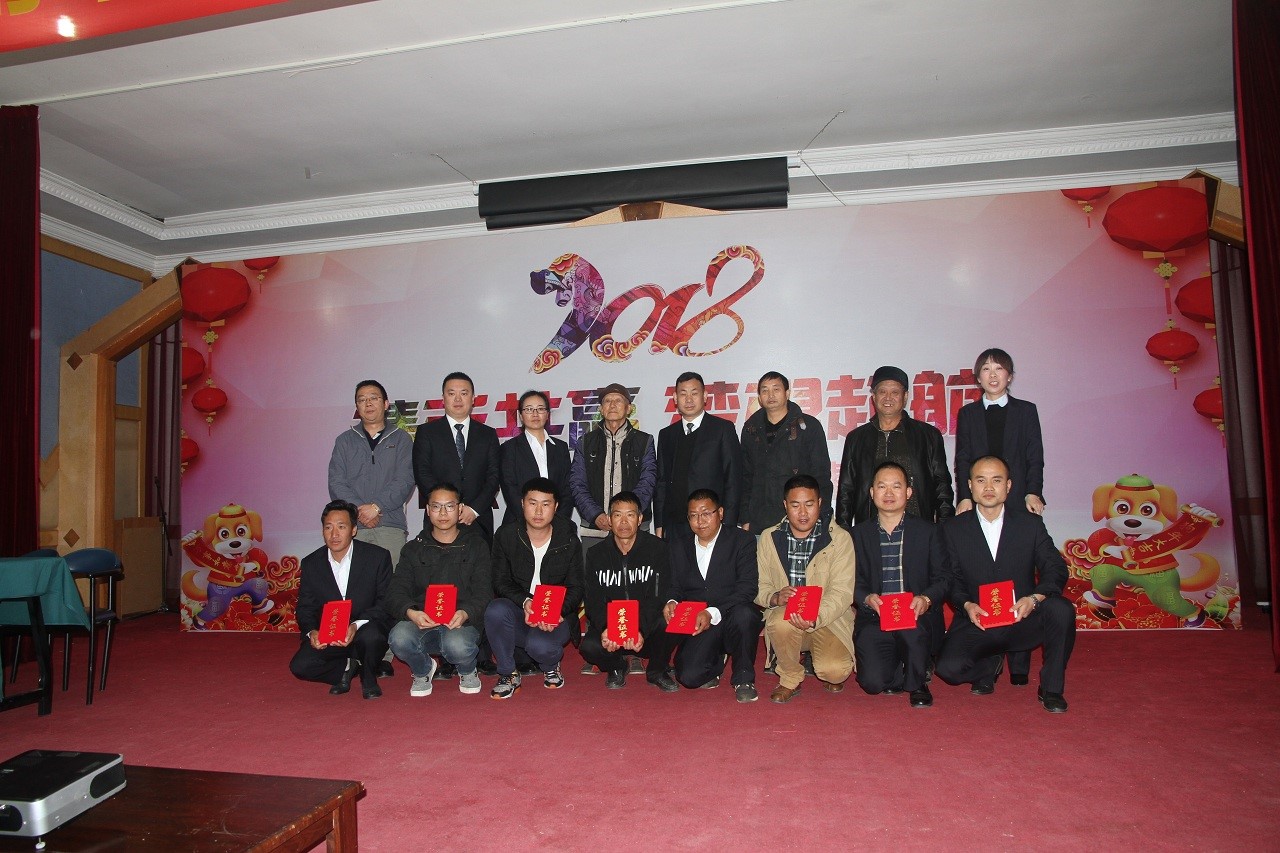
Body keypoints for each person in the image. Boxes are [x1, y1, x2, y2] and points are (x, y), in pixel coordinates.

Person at [935, 456, 1075, 713]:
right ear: (970, 486)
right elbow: (949, 578)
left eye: (996, 480)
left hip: (1022, 617)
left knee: (1061, 609)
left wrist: (1034, 599)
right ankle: (990, 664)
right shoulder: (952, 529)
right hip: (978, 620)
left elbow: (1055, 568)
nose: (989, 487)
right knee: (948, 669)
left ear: (1008, 486)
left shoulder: (1030, 525)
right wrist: (967, 605)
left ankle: (1052, 688)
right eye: (981, 480)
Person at [953, 348, 1046, 686]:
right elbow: (963, 459)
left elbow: (1035, 456)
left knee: (1019, 575)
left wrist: (1033, 491)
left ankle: (1019, 660)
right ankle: (989, 658)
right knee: (984, 576)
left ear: (1010, 376)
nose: (993, 375)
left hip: (1017, 503)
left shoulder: (1026, 411)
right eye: (986, 369)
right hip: (981, 503)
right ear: (977, 378)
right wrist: (964, 497)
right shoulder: (968, 414)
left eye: (999, 369)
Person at [328, 378, 416, 679]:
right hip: (354, 528)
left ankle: (385, 655)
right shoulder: (344, 441)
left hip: (389, 524)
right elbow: (336, 482)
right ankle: (353, 653)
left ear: (386, 403)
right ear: (356, 406)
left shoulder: (401, 439)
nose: (368, 403)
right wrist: (359, 511)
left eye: (374, 398)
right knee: (354, 590)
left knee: (390, 590)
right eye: (362, 399)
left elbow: (405, 480)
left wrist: (377, 507)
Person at [851, 462, 950, 708]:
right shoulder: (856, 535)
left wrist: (926, 599)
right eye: (881, 486)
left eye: (896, 486)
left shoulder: (929, 532)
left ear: (908, 492)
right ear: (871, 492)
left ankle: (918, 681)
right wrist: (866, 598)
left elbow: (944, 578)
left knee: (912, 632)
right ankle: (902, 664)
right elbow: (849, 580)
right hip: (875, 616)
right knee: (873, 683)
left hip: (916, 615)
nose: (889, 493)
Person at [384, 483, 491, 697]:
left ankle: (467, 669)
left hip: (461, 624)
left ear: (460, 509)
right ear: (427, 510)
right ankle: (423, 669)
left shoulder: (476, 546)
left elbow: (484, 592)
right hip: (423, 622)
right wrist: (411, 612)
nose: (443, 513)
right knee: (398, 639)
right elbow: (395, 591)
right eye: (436, 506)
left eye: (449, 506)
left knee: (458, 646)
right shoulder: (413, 548)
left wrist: (466, 613)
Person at [755, 475, 854, 703]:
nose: (802, 513)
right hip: (787, 618)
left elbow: (842, 593)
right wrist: (774, 597)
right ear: (785, 505)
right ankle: (790, 677)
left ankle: (822, 659)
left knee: (835, 672)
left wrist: (815, 617)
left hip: (827, 618)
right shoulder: (769, 537)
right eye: (795, 505)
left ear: (819, 503)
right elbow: (758, 584)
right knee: (779, 623)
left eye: (809, 504)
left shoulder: (840, 539)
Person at [486, 477, 584, 700]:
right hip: (520, 609)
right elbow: (499, 580)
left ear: (556, 507)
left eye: (546, 504)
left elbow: (577, 587)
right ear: (522, 504)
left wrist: (557, 612)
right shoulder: (506, 535)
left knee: (539, 646)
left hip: (555, 615)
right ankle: (508, 673)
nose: (538, 511)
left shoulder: (569, 540)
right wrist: (525, 601)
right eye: (532, 503)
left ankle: (551, 665)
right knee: (496, 609)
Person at [663, 488, 762, 703]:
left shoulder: (741, 540)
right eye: (693, 515)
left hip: (732, 613)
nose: (700, 521)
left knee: (746, 615)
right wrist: (671, 601)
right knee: (689, 677)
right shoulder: (678, 545)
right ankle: (718, 659)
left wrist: (712, 611)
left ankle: (744, 678)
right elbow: (674, 585)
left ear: (721, 513)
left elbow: (748, 588)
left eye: (706, 513)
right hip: (699, 621)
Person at [289, 500, 393, 700]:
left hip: (365, 628)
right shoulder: (311, 563)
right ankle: (346, 667)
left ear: (354, 530)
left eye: (341, 527)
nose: (334, 534)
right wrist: (312, 632)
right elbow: (305, 607)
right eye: (328, 527)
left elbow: (385, 602)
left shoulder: (377, 557)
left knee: (372, 636)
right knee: (300, 666)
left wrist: (355, 625)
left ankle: (369, 677)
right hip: (330, 633)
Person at [580, 491, 678, 691]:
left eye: (630, 515)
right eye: (617, 515)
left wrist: (640, 629)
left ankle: (657, 671)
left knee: (669, 620)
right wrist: (606, 627)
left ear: (640, 519)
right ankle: (617, 666)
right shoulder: (596, 554)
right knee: (589, 647)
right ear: (609, 519)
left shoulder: (658, 549)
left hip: (646, 631)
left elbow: (658, 597)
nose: (623, 522)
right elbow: (593, 600)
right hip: (613, 633)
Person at [835, 365, 954, 528]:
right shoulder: (856, 438)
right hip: (870, 529)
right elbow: (846, 490)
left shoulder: (928, 435)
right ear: (874, 396)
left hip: (919, 527)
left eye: (895, 392)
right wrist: (844, 532)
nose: (888, 398)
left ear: (905, 396)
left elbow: (942, 485)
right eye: (882, 392)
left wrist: (945, 527)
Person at [412, 371, 501, 541]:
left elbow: (494, 476)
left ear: (473, 399)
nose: (458, 399)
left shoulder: (487, 434)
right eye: (452, 393)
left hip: (478, 520)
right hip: (439, 520)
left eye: (464, 393)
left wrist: (474, 509)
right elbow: (422, 473)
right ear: (443, 398)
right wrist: (447, 507)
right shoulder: (427, 432)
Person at [740, 371, 832, 534]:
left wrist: (821, 515)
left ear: (787, 393)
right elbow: (745, 477)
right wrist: (745, 518)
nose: (770, 395)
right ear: (759, 397)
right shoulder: (750, 429)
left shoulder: (808, 426)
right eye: (765, 390)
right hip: (760, 521)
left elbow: (821, 475)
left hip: (801, 519)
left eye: (776, 389)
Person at [568, 383, 657, 552]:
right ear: (601, 409)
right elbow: (577, 483)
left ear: (629, 408)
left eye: (618, 400)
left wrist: (627, 516)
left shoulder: (645, 441)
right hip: (595, 529)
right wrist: (595, 515)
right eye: (607, 401)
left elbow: (648, 481)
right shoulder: (585, 442)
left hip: (634, 530)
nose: (613, 405)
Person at [655, 372, 743, 539]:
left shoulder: (723, 429)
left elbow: (733, 480)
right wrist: (660, 524)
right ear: (675, 398)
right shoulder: (666, 434)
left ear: (705, 396)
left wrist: (729, 525)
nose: (689, 399)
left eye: (694, 393)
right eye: (683, 394)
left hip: (711, 524)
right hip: (674, 525)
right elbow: (661, 483)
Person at [499, 389, 572, 524]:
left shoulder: (560, 447)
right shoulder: (509, 448)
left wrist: (558, 521)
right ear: (521, 415)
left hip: (557, 524)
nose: (535, 414)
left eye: (540, 409)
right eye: (529, 409)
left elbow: (567, 488)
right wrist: (529, 522)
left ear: (547, 414)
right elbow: (510, 489)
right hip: (519, 523)